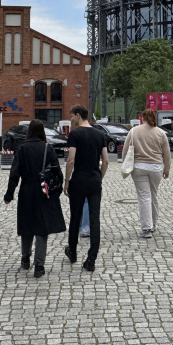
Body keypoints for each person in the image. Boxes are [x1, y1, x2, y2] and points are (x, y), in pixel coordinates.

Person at [3, 119, 66, 278]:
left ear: (29, 131)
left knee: (27, 225)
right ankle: (39, 265)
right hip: (43, 191)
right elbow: (57, 172)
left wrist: (9, 194)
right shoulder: (48, 148)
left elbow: (14, 174)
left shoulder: (22, 148)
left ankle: (25, 258)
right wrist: (56, 191)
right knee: (42, 228)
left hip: (26, 190)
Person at [64, 104, 108, 271]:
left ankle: (73, 252)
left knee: (75, 217)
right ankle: (91, 258)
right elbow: (106, 160)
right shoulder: (100, 134)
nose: (70, 119)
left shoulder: (75, 134)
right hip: (95, 180)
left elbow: (70, 160)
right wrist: (99, 177)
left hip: (79, 180)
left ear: (77, 115)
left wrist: (66, 181)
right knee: (94, 219)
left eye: (71, 116)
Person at [124, 108, 171, 238]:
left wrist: (125, 165)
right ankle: (154, 224)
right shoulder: (161, 133)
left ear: (142, 118)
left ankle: (146, 228)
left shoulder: (133, 131)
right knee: (153, 195)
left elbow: (126, 150)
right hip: (156, 167)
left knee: (144, 197)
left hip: (139, 167)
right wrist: (166, 169)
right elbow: (166, 154)